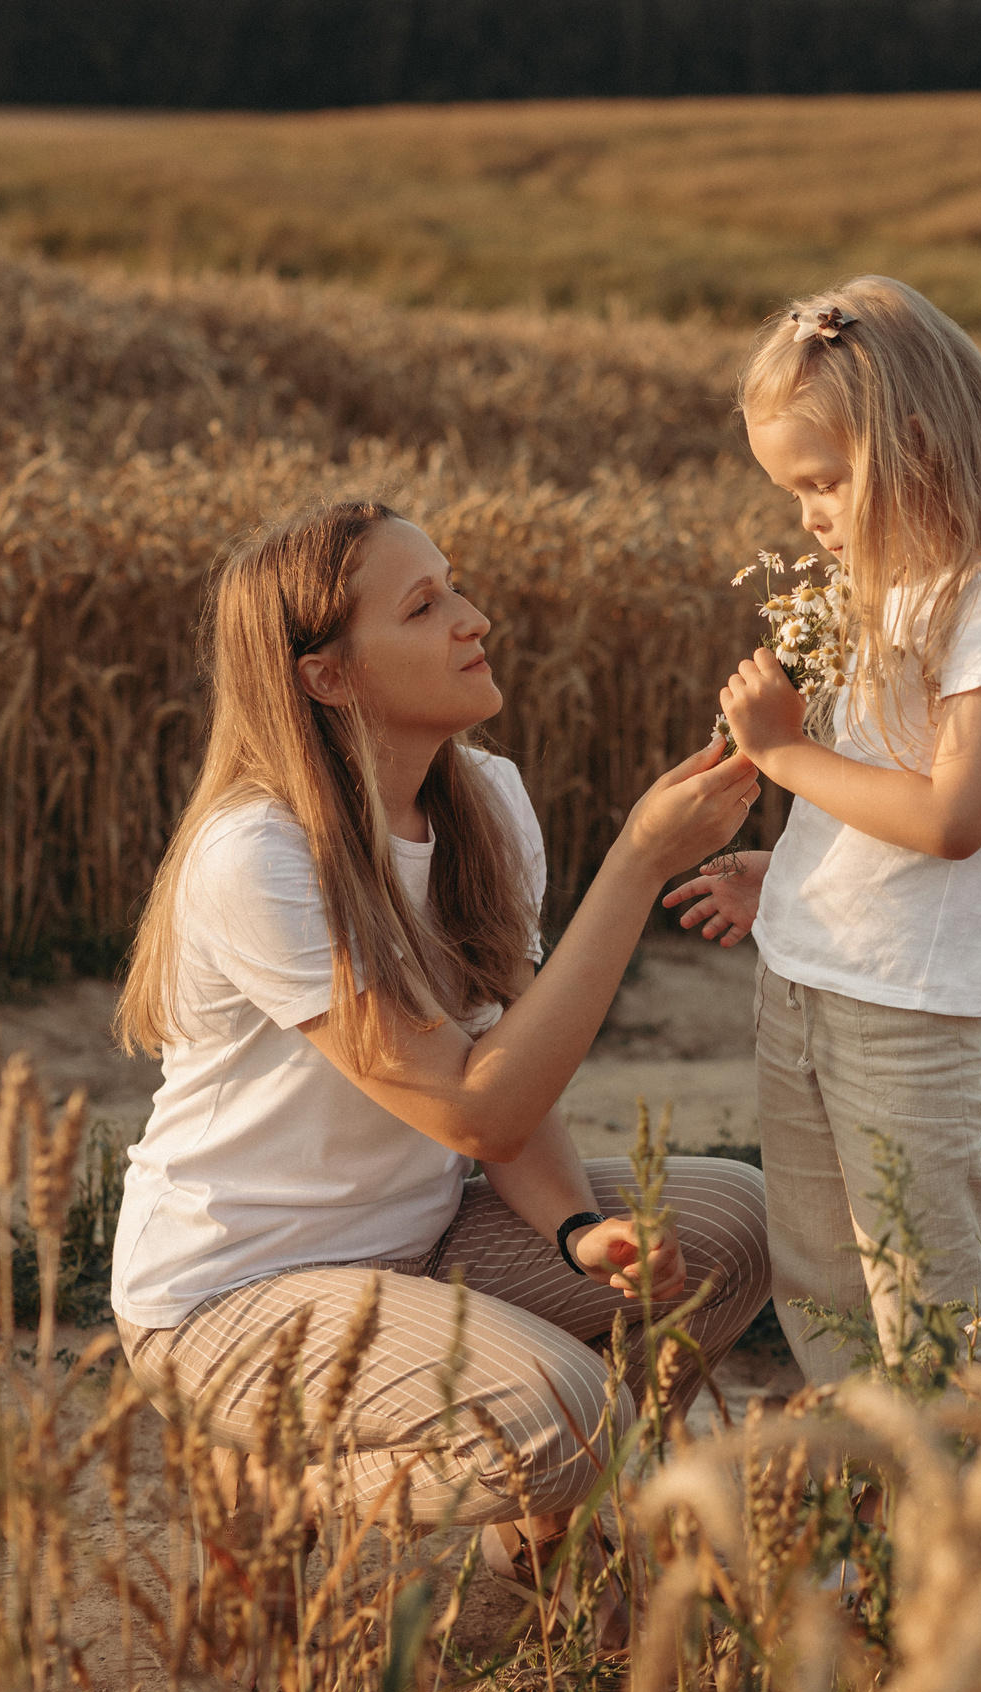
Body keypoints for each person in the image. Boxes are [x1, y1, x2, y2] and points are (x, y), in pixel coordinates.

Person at [111, 499, 771, 1607]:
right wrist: (639, 861)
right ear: (327, 676)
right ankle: (278, 1493)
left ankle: (539, 1532)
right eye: (426, 607)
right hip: (234, 1294)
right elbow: (476, 1114)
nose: (475, 620)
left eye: (454, 588)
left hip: (420, 1243)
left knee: (737, 1225)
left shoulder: (490, 805)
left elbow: (508, 1067)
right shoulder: (259, 855)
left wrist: (573, 1227)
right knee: (570, 1415)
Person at [663, 277, 981, 1384]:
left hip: (902, 1006)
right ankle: (878, 1509)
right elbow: (881, 796)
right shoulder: (890, 590)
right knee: (819, 1275)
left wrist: (780, 755)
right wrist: (797, 861)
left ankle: (974, 1514)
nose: (806, 514)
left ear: (913, 445)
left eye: (822, 481)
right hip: (806, 976)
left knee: (928, 1294)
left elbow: (953, 819)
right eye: (790, 490)